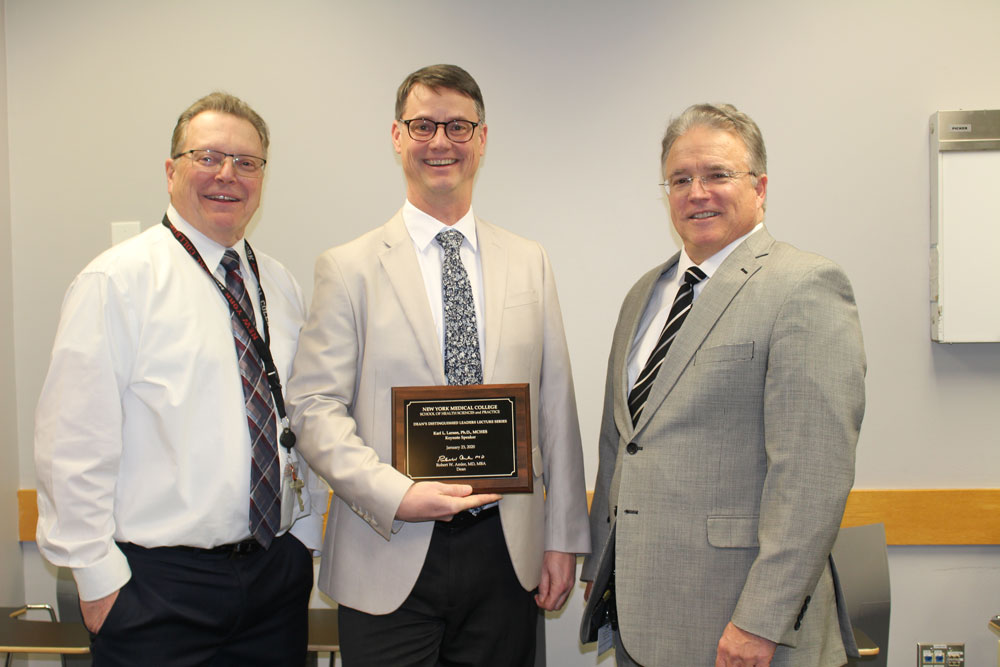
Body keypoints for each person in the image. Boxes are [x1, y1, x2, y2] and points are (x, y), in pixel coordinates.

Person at [287, 64, 590, 666]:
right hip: (388, 547)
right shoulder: (347, 268)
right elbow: (314, 409)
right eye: (423, 125)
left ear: (482, 140)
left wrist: (563, 538)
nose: (440, 142)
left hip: (506, 551)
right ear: (397, 137)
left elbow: (555, 405)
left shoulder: (530, 261)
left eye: (458, 126)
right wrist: (396, 494)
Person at [34, 92, 326, 665]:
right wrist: (98, 583)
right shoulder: (116, 282)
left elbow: (299, 416)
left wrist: (305, 537)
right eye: (208, 157)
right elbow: (72, 444)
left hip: (275, 578)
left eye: (247, 162)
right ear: (171, 172)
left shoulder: (280, 285)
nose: (227, 175)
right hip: (156, 590)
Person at [581, 103, 866, 666]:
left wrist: (760, 622)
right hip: (642, 615)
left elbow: (812, 476)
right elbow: (622, 444)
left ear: (760, 187)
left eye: (717, 175)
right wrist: (601, 569)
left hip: (744, 627)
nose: (697, 192)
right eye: (681, 179)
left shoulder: (804, 286)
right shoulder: (645, 294)